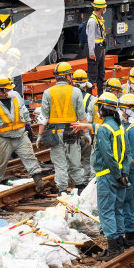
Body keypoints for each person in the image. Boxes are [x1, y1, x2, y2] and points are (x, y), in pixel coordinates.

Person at [0, 77, 46, 195]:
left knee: (30, 157)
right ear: (0, 90)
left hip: (20, 135)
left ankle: (39, 181)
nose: (10, 91)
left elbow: (23, 110)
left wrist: (28, 125)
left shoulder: (16, 97)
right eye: (7, 89)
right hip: (2, 138)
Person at [39, 62, 87, 193]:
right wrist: (86, 134)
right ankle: (80, 188)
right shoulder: (76, 91)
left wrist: (39, 135)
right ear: (68, 76)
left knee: (60, 165)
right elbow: (82, 116)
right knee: (75, 163)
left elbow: (43, 117)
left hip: (54, 134)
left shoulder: (48, 92)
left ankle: (62, 191)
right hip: (72, 132)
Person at [92, 92, 129, 259]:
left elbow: (108, 155)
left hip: (108, 175)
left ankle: (113, 248)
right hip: (121, 174)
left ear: (103, 110)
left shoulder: (103, 130)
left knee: (106, 211)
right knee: (117, 209)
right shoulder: (120, 127)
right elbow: (127, 153)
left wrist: (116, 174)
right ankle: (120, 243)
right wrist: (124, 173)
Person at [119, 93, 134, 247]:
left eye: (121, 109)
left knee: (127, 201)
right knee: (126, 201)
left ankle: (132, 233)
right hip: (128, 170)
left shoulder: (133, 130)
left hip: (130, 171)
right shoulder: (126, 127)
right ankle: (130, 230)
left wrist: (126, 172)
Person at [74, 69, 97, 179]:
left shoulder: (70, 95)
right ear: (86, 85)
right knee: (87, 158)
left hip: (72, 131)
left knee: (74, 158)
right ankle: (87, 178)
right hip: (85, 131)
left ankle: (76, 179)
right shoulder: (91, 99)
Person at [86, 0, 108, 91]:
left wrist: (102, 49)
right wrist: (91, 53)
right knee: (92, 74)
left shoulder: (99, 19)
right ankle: (89, 94)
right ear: (102, 9)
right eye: (104, 8)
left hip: (99, 47)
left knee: (101, 72)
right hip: (94, 48)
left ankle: (100, 93)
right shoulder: (92, 21)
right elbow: (90, 37)